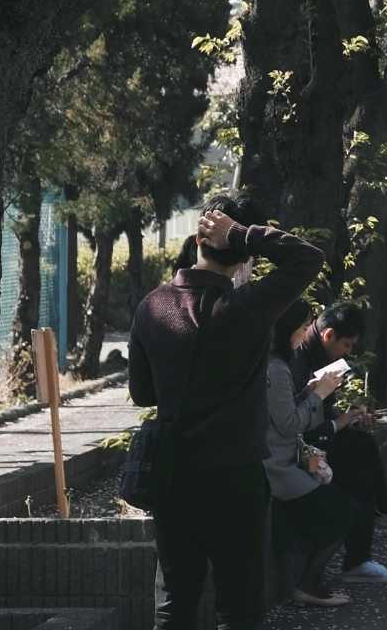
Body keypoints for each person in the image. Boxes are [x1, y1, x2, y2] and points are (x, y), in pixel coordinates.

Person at [130, 194, 327, 630]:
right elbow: (308, 258)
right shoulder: (249, 306)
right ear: (244, 255)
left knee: (175, 600)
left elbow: (143, 393)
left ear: (199, 238)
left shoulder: (151, 307)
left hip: (172, 471)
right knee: (239, 606)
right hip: (234, 474)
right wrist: (241, 234)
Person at [263, 303, 387, 607]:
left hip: (285, 459)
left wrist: (312, 395)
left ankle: (384, 513)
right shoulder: (277, 367)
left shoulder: (280, 364)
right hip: (277, 466)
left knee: (355, 464)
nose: (302, 336)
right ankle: (308, 583)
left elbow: (292, 416)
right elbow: (290, 425)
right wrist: (317, 394)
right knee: (341, 509)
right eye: (300, 329)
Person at [288, 304, 387, 534]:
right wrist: (337, 421)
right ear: (328, 335)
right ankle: (384, 512)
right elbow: (295, 418)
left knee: (361, 449)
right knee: (359, 458)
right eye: (346, 345)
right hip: (298, 445)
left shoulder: (314, 353)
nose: (347, 352)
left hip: (312, 436)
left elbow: (321, 408)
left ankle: (380, 518)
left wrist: (347, 416)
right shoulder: (296, 358)